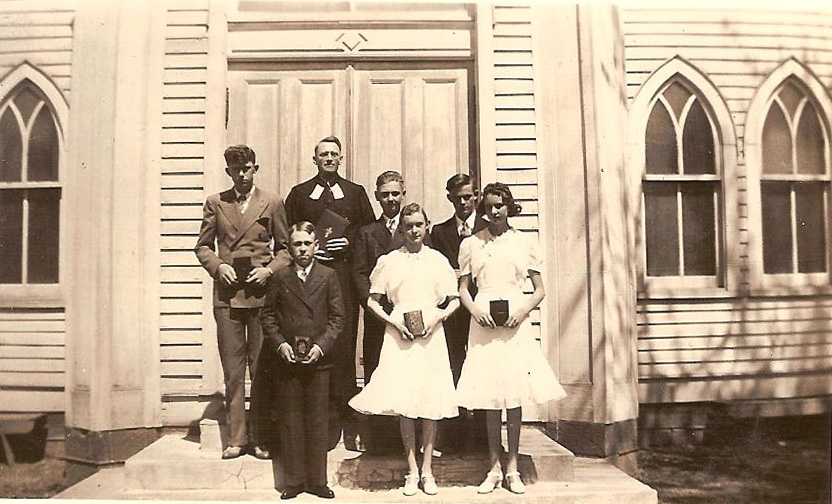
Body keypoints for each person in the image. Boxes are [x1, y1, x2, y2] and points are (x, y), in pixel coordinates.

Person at [455, 183, 567, 494]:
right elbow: (463, 288)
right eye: (489, 206)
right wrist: (475, 310)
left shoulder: (523, 243)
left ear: (509, 207)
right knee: (491, 397)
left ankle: (513, 468)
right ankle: (493, 467)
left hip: (515, 322)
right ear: (483, 209)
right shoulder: (471, 244)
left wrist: (522, 310)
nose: (494, 211)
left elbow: (540, 289)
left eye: (500, 205)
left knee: (514, 395)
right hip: (484, 324)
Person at [349, 203, 460, 496]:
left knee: (430, 402)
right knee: (406, 403)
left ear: (427, 226)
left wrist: (435, 319)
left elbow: (454, 299)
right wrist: (395, 324)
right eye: (408, 225)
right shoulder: (389, 261)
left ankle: (427, 471)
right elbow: (373, 300)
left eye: (419, 225)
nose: (413, 231)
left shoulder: (437, 260)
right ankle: (411, 470)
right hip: (400, 336)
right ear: (401, 229)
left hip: (431, 336)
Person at [194, 144, 291, 460]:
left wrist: (268, 271)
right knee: (233, 372)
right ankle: (236, 438)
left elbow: (285, 249)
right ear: (228, 172)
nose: (242, 174)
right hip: (228, 298)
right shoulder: (216, 203)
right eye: (236, 170)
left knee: (262, 369)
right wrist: (218, 266)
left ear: (255, 168)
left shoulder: (272, 202)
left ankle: (260, 438)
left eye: (247, 168)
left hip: (262, 297)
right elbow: (203, 247)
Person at [284, 136, 375, 449]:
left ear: (341, 159)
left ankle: (347, 419)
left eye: (334, 154)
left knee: (344, 345)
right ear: (315, 159)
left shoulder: (355, 192)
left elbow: (369, 232)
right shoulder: (299, 194)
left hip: (343, 278)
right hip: (309, 281)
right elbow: (287, 234)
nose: (329, 159)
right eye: (323, 154)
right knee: (314, 342)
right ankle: (320, 423)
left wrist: (349, 243)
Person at [260, 222, 344, 500]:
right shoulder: (280, 278)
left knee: (318, 420)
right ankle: (293, 481)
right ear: (290, 248)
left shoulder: (329, 275)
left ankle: (317, 481)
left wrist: (321, 346)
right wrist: (280, 345)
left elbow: (337, 318)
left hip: (319, 361)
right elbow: (268, 316)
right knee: (291, 419)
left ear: (316, 246)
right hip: (288, 361)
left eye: (307, 243)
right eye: (297, 244)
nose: (303, 249)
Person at [429, 173, 486, 454]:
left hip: (482, 308)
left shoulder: (489, 227)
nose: (463, 202)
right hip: (453, 312)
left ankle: (484, 437)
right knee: (454, 365)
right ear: (449, 198)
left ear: (475, 196)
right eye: (458, 198)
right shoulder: (439, 233)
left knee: (483, 365)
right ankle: (454, 435)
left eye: (468, 197)